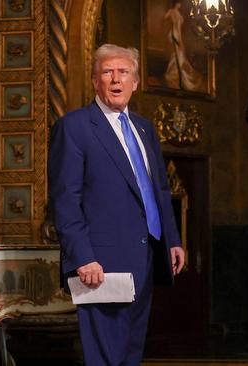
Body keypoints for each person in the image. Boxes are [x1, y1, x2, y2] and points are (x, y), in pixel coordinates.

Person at [48, 43, 185, 365]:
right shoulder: (75, 127)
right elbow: (65, 199)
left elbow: (160, 190)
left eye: (123, 72)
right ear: (95, 80)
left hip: (147, 255)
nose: (115, 79)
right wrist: (83, 257)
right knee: (105, 355)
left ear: (135, 82)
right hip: (100, 264)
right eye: (107, 72)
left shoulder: (143, 128)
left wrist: (172, 240)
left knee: (130, 353)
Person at [163, 0, 204, 92]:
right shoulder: (173, 11)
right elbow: (166, 18)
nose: (180, 5)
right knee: (178, 55)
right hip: (174, 34)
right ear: (176, 3)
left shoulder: (176, 12)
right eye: (179, 3)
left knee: (178, 55)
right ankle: (172, 74)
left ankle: (176, 75)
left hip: (177, 34)